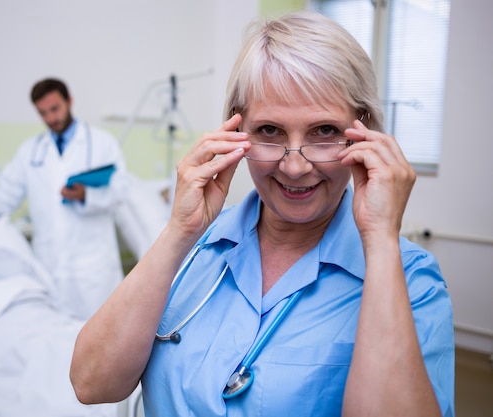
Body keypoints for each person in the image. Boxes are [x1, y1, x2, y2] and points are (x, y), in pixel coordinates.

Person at [69, 11, 454, 417]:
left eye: (324, 131)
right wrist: (179, 232)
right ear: (237, 134)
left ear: (366, 132)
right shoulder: (197, 248)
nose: (294, 166)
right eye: (270, 130)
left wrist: (379, 241)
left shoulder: (410, 280)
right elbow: (91, 383)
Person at [0, 78, 128, 320]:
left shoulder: (102, 142)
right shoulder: (30, 151)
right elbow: (3, 195)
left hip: (93, 269)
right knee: (59, 340)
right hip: (50, 263)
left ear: (69, 101)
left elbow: (120, 192)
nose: (51, 118)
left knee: (101, 336)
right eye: (43, 113)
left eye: (55, 109)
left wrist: (87, 195)